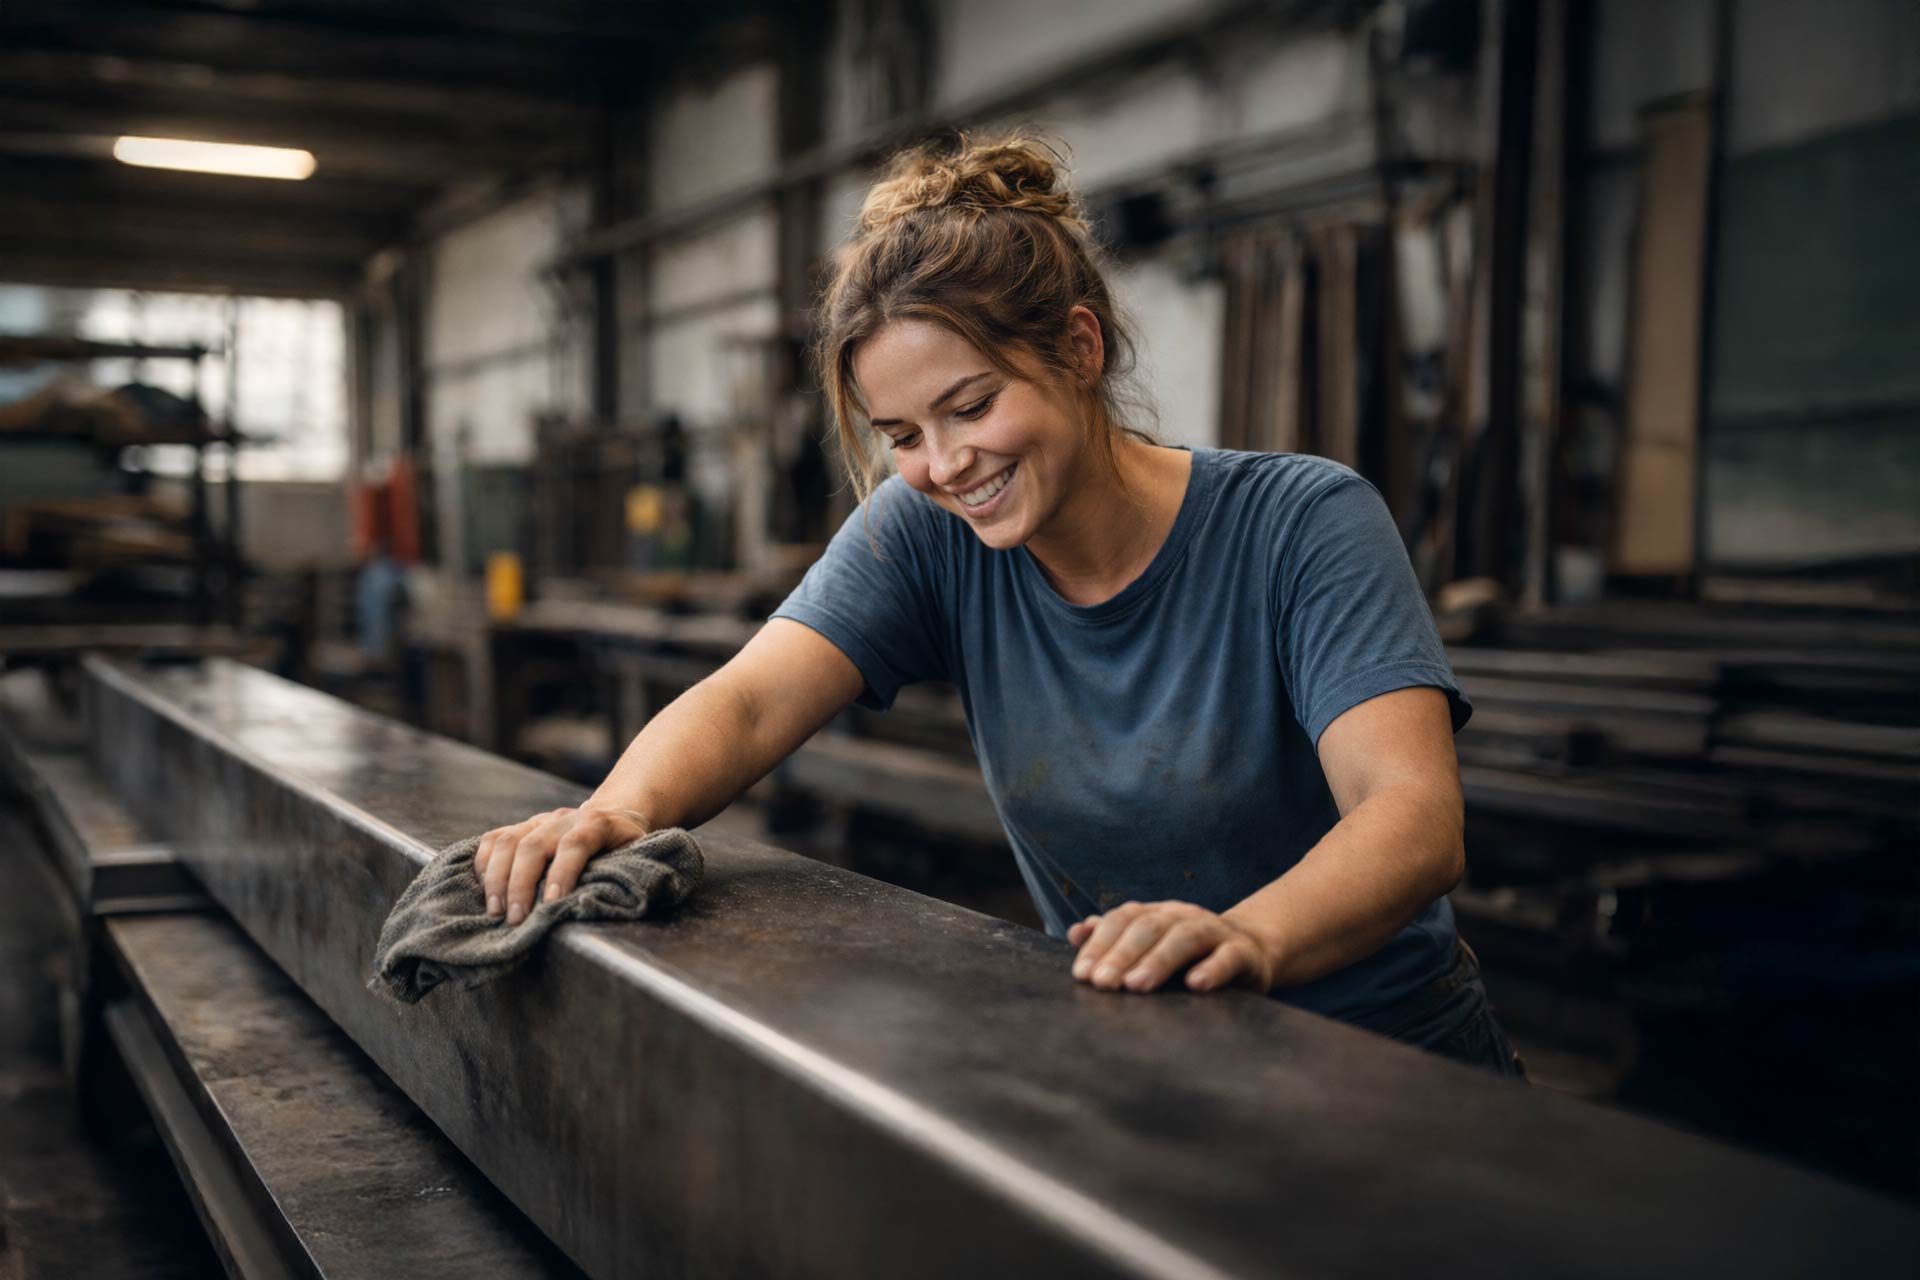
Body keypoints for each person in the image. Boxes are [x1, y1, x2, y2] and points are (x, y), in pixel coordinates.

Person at [474, 133, 1524, 1076]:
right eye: (902, 433)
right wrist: (617, 808)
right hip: (1165, 1067)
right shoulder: (926, 531)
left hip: (1395, 1075)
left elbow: (1413, 816)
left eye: (971, 405)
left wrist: (1250, 936)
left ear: (1080, 346)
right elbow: (750, 699)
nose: (943, 463)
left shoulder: (1303, 523)